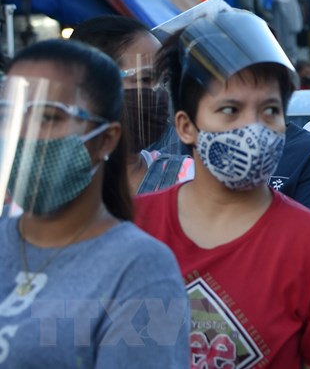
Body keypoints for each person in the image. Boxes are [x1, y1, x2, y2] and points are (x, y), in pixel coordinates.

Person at [133, 0, 310, 368]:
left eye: (270, 110)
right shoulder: (133, 228)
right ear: (186, 126)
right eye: (230, 110)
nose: (253, 127)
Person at [0, 39, 189, 367]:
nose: (24, 134)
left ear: (106, 139)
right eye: (10, 114)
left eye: (49, 117)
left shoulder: (141, 269)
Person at [71, 15, 193, 194]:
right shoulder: (45, 188)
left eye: (164, 80)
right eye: (145, 79)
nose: (159, 93)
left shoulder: (187, 178)